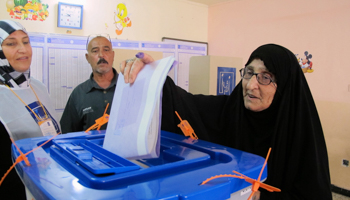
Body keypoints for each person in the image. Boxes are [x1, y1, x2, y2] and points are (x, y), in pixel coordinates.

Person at [121, 44, 332, 199]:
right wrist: (152, 76)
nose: (250, 85)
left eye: (265, 77)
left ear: (285, 86)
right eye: (249, 73)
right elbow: (182, 103)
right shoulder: (229, 112)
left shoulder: (301, 133)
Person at [0, 20, 61, 199]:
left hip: (50, 185)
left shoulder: (39, 87)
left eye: (26, 41)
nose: (23, 49)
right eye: (11, 43)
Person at [60, 34, 118, 133]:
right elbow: (68, 134)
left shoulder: (127, 87)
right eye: (95, 51)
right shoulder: (78, 94)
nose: (101, 55)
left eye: (106, 50)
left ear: (113, 55)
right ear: (87, 58)